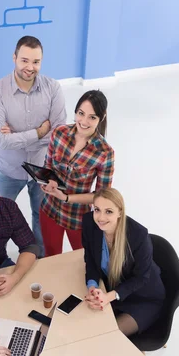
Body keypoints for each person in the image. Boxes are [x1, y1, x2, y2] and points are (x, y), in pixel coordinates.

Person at [0, 35, 67, 256]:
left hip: (43, 169)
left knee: (42, 219)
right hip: (8, 170)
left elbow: (59, 134)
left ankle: (40, 260)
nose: (30, 67)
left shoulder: (53, 88)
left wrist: (18, 136)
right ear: (14, 58)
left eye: (36, 62)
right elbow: (2, 140)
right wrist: (40, 131)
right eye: (24, 60)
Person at [39, 89, 114, 255]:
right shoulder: (59, 133)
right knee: (51, 257)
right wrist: (46, 182)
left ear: (101, 118)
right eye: (81, 113)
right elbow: (48, 167)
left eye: (92, 117)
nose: (84, 121)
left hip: (78, 218)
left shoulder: (105, 153)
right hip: (49, 210)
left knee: (84, 260)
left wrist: (66, 198)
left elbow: (101, 196)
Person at [82, 188, 166, 336]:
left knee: (107, 336)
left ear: (120, 212)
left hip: (143, 297)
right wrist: (93, 287)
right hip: (112, 289)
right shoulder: (89, 223)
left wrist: (110, 296)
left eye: (109, 211)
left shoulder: (139, 235)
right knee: (86, 327)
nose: (101, 217)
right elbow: (90, 260)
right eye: (97, 210)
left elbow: (141, 278)